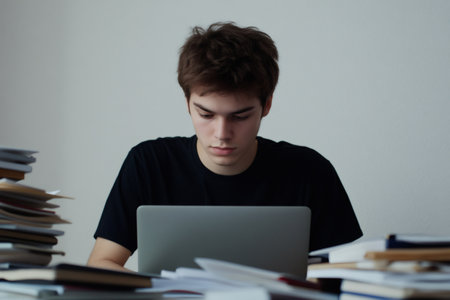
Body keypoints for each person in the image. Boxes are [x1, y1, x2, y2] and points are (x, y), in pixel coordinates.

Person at [87, 22, 363, 271]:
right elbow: (101, 263)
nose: (222, 134)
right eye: (206, 115)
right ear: (187, 104)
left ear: (266, 105)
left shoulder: (310, 171)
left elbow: (346, 276)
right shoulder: (148, 163)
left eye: (240, 116)